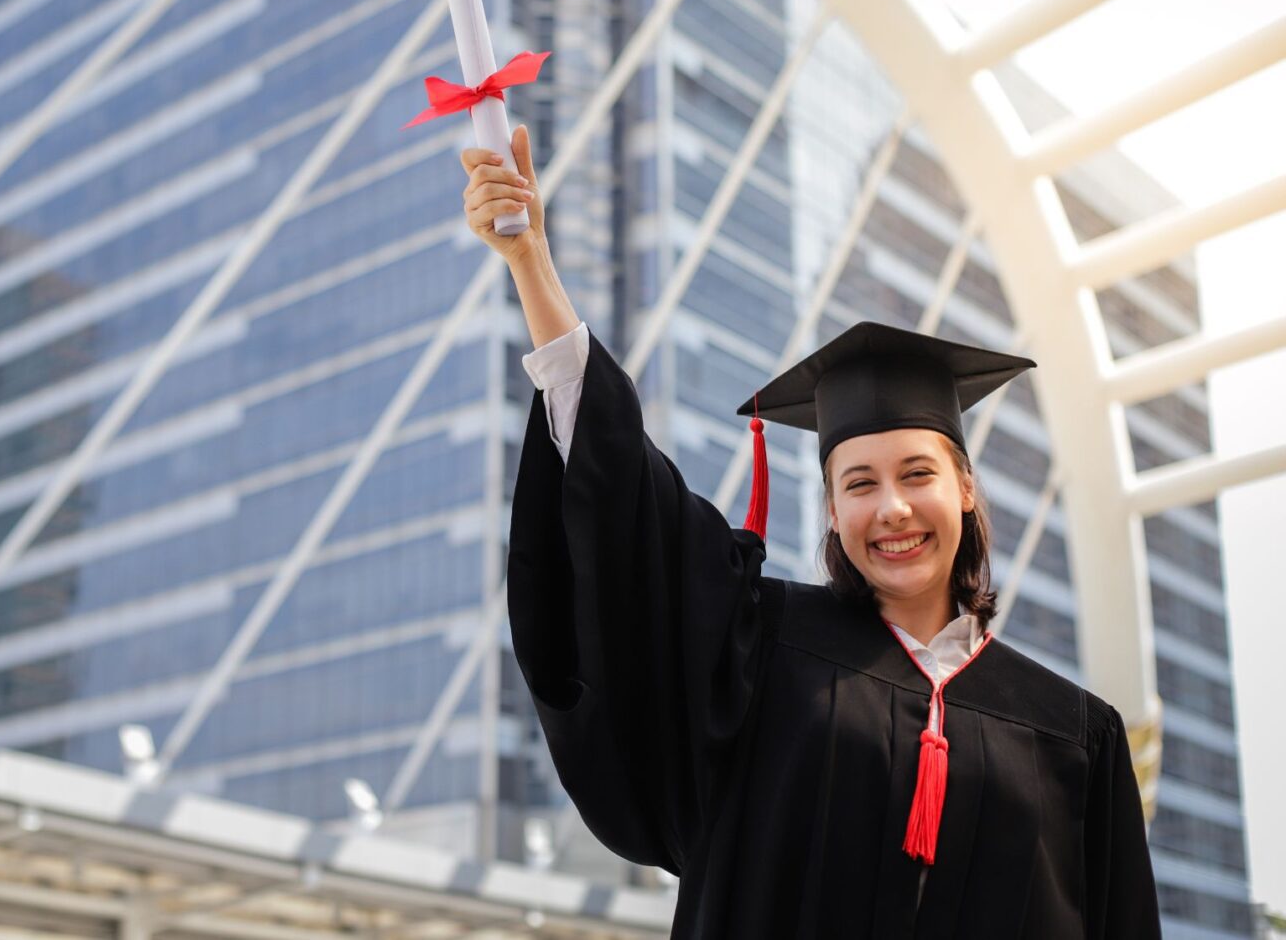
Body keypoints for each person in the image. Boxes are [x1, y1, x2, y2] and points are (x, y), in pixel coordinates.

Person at [460, 126, 1162, 938]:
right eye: (858, 484)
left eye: (918, 474)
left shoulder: (1077, 736)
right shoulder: (759, 652)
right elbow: (626, 507)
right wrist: (532, 266)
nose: (891, 508)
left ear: (966, 488)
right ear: (831, 511)